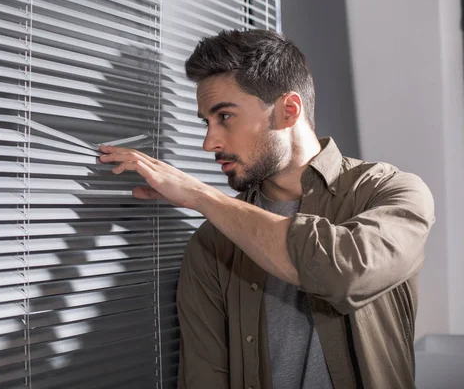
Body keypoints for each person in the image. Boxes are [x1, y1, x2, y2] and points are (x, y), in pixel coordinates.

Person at [99, 29, 435, 389]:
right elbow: (204, 377)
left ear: (288, 111)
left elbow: (343, 273)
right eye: (206, 123)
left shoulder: (391, 192)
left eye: (225, 116)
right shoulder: (211, 244)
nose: (209, 142)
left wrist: (200, 196)